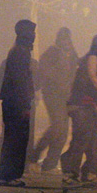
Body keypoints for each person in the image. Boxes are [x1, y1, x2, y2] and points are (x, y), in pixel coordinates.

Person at [60, 34, 97, 186]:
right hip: (82, 105)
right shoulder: (93, 59)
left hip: (90, 107)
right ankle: (70, 172)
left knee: (96, 141)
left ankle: (90, 173)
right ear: (96, 47)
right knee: (81, 140)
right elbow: (92, 77)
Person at [0, 20, 37, 187]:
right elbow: (21, 82)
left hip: (11, 102)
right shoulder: (21, 53)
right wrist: (25, 105)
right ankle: (12, 175)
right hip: (17, 103)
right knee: (18, 140)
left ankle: (6, 174)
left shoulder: (15, 51)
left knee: (11, 138)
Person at [32, 27, 78, 172]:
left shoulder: (72, 54)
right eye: (63, 38)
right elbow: (45, 71)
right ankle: (35, 153)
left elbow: (73, 73)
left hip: (66, 96)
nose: (66, 41)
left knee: (63, 132)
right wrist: (59, 81)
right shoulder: (51, 53)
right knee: (58, 126)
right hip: (53, 95)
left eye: (67, 38)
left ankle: (50, 163)